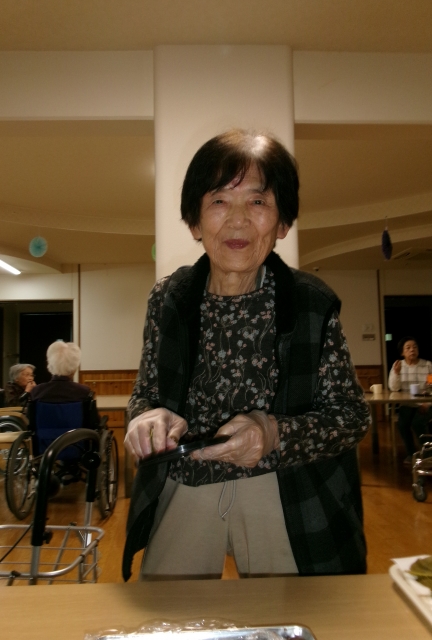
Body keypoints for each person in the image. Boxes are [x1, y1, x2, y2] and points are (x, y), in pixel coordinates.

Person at [122, 129, 371, 582]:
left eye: (258, 201)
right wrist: (146, 418)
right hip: (186, 479)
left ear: (282, 223)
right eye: (219, 200)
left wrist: (273, 433)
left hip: (284, 489)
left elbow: (351, 416)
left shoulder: (311, 302)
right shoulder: (169, 299)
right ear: (195, 222)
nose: (238, 220)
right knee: (169, 614)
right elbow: (145, 394)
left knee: (290, 616)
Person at [388, 336, 432, 463]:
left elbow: (431, 386)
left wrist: (427, 403)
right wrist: (396, 373)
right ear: (402, 352)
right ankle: (411, 454)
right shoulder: (398, 365)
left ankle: (428, 455)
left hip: (425, 403)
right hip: (407, 404)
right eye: (408, 348)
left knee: (417, 423)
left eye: (415, 347)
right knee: (402, 424)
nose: (412, 350)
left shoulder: (427, 365)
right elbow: (394, 388)